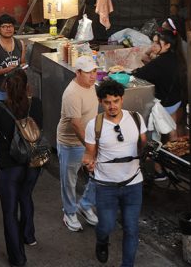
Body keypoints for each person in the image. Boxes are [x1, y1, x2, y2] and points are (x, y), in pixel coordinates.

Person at [82, 80, 147, 267]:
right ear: (101, 102)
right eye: (107, 102)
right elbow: (89, 153)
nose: (112, 106)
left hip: (133, 183)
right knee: (106, 226)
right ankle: (102, 240)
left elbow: (143, 143)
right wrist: (88, 163)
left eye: (116, 101)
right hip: (106, 186)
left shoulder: (136, 118)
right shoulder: (94, 125)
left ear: (122, 99)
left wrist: (147, 151)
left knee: (132, 228)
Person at [0, 69, 41, 266]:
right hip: (33, 163)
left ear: (6, 88)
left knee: (9, 212)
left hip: (9, 167)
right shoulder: (36, 104)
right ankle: (28, 235)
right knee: (27, 196)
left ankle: (18, 257)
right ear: (27, 87)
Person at [57, 56, 99, 232]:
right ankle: (69, 212)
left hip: (89, 139)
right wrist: (90, 147)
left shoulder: (91, 87)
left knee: (100, 174)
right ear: (78, 73)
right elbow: (76, 124)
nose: (93, 76)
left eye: (95, 71)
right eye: (88, 72)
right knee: (69, 181)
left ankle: (85, 204)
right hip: (71, 143)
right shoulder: (72, 93)